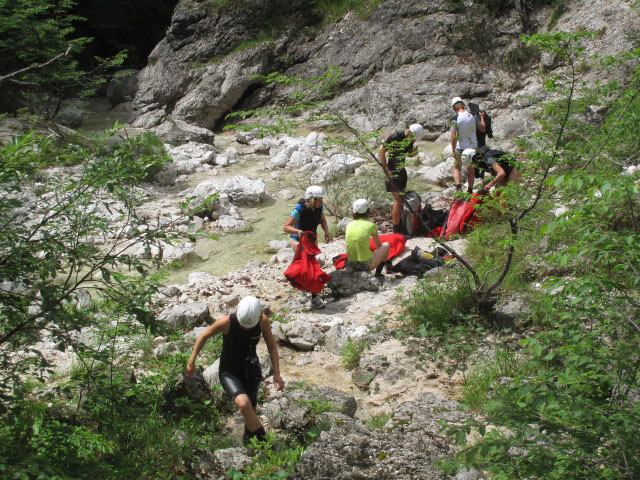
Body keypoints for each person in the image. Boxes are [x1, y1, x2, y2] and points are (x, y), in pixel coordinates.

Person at [185, 296, 284, 444]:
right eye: (243, 325)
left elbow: (271, 346)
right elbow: (204, 336)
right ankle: (265, 442)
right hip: (229, 371)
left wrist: (277, 373)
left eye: (249, 327)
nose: (245, 328)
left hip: (251, 370)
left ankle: (249, 443)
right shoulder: (226, 322)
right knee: (243, 405)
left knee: (250, 410)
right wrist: (191, 361)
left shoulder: (262, 321)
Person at [283, 185, 331, 309]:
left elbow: (323, 221)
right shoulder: (299, 210)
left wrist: (326, 232)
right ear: (311, 200)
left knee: (308, 266)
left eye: (321, 199)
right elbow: (286, 227)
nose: (321, 202)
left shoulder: (319, 208)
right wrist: (298, 232)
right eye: (319, 200)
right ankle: (314, 297)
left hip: (311, 240)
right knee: (311, 266)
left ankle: (304, 287)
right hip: (298, 241)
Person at [379, 123, 425, 234]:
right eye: (413, 138)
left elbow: (409, 154)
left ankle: (401, 224)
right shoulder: (394, 137)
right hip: (392, 171)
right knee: (398, 200)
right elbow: (382, 151)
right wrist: (386, 168)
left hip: (401, 171)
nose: (413, 140)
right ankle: (396, 228)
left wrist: (414, 152)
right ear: (410, 132)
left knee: (400, 200)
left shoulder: (409, 139)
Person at [450, 96, 486, 193]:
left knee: (457, 167)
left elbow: (453, 136)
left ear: (454, 107)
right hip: (472, 147)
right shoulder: (473, 115)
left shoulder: (454, 118)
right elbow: (482, 129)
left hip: (460, 147)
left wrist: (453, 150)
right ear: (462, 105)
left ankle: (458, 189)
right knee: (471, 170)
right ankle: (470, 190)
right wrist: (482, 117)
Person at [345, 199, 390, 277]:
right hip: (365, 265)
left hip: (351, 264)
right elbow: (379, 245)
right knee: (386, 245)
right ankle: (378, 274)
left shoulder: (349, 224)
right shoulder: (371, 225)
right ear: (368, 211)